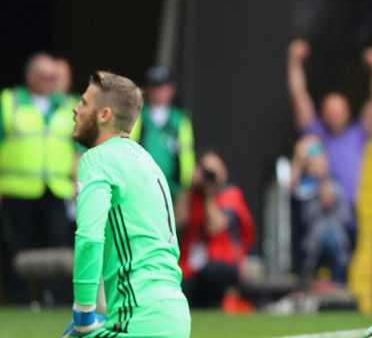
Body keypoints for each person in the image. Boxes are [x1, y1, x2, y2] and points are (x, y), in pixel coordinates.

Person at [63, 71, 189, 337]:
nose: (75, 108)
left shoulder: (97, 159)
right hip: (175, 316)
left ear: (104, 114)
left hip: (138, 322)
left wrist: (83, 315)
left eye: (84, 103)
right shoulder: (147, 162)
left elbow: (89, 238)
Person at [286, 39, 372, 240]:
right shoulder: (314, 132)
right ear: (322, 114)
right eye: (330, 112)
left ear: (348, 113)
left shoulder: (357, 134)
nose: (334, 116)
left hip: (346, 215)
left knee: (342, 265)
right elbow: (298, 96)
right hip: (315, 212)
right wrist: (293, 62)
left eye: (338, 112)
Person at [0, 53, 77, 304]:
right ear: (30, 77)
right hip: (17, 190)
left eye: (56, 77)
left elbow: (78, 150)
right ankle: (19, 301)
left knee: (59, 246)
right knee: (17, 249)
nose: (52, 82)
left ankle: (57, 300)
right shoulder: (8, 102)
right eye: (46, 77)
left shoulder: (68, 105)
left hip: (57, 190)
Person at [176, 151, 255, 310]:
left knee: (214, 272)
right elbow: (176, 222)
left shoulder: (231, 194)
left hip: (222, 263)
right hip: (192, 266)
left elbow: (214, 227)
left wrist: (208, 194)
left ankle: (221, 304)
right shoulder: (192, 195)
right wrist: (187, 188)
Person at [290, 134, 351, 287]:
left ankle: (337, 288)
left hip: (333, 240)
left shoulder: (332, 181)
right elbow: (290, 192)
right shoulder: (300, 181)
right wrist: (298, 161)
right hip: (304, 241)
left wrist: (322, 176)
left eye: (316, 151)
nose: (312, 157)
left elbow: (328, 201)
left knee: (332, 241)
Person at [130, 66, 195, 200]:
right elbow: (129, 147)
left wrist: (186, 184)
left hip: (173, 189)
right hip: (142, 186)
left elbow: (186, 152)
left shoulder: (180, 119)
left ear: (172, 89)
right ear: (147, 90)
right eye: (154, 87)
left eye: (163, 87)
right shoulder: (138, 115)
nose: (159, 92)